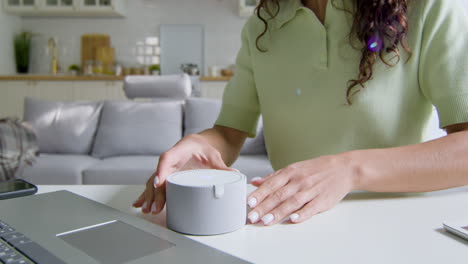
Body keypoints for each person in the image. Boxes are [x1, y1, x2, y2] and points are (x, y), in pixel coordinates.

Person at [134, 0, 468, 226]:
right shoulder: (263, 25)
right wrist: (198, 148)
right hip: (292, 228)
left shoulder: (430, 7)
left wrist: (349, 170)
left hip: (400, 228)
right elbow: (228, 133)